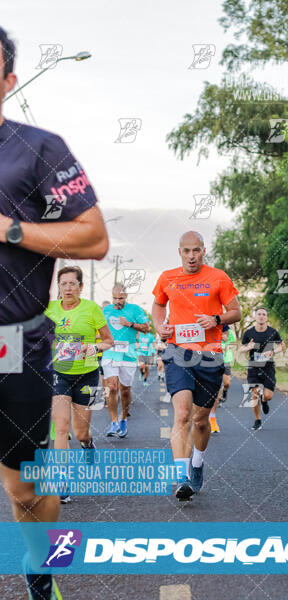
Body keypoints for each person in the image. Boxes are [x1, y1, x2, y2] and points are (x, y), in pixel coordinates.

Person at [0, 26, 108, 600]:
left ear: (8, 81)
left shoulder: (38, 148)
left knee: (24, 490)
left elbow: (93, 237)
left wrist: (13, 229)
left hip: (16, 342)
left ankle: (42, 568)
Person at [152, 231, 241, 500]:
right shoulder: (168, 278)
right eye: (186, 251)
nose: (192, 256)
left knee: (201, 421)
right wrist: (160, 326)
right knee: (181, 414)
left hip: (209, 355)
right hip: (178, 352)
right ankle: (181, 477)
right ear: (179, 252)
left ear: (204, 251)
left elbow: (236, 312)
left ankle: (198, 462)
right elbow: (158, 305)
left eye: (196, 250)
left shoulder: (219, 277)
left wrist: (216, 319)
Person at [45, 266, 113, 502]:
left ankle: (88, 444)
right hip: (59, 373)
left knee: (81, 432)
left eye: (72, 283)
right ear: (59, 287)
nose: (68, 288)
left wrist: (94, 347)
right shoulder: (49, 309)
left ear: (81, 286)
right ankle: (62, 479)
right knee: (61, 428)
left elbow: (108, 341)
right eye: (63, 284)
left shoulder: (92, 309)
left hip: (89, 373)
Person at [102, 283, 149, 437]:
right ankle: (113, 422)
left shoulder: (135, 310)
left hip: (128, 353)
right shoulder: (106, 310)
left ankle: (123, 418)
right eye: (114, 298)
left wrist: (129, 324)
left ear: (126, 296)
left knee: (125, 389)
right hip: (110, 352)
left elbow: (147, 328)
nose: (117, 301)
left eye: (120, 298)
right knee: (112, 386)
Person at [240, 307, 285, 430]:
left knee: (268, 395)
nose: (261, 316)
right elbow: (240, 349)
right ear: (255, 317)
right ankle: (257, 420)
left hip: (268, 368)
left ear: (267, 317)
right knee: (254, 394)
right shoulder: (249, 333)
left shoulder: (272, 332)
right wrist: (248, 348)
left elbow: (282, 346)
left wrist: (273, 351)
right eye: (259, 314)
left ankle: (264, 401)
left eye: (264, 314)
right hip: (254, 367)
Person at [209, 325, 235, 434]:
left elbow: (231, 341)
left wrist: (227, 344)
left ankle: (224, 393)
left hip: (224, 359)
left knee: (226, 383)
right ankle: (212, 419)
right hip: (208, 359)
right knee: (215, 388)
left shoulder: (223, 325)